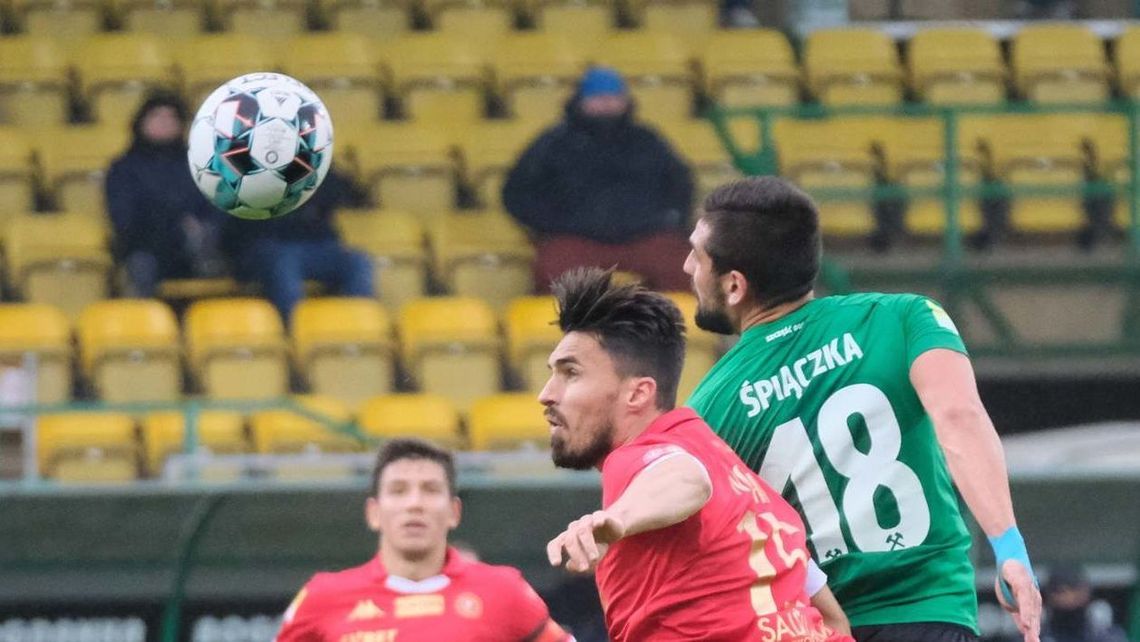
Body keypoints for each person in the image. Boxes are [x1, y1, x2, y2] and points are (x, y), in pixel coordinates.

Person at [682, 176, 1043, 642]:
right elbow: (960, 419)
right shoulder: (907, 317)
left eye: (697, 254)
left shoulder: (708, 409)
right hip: (931, 614)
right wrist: (1009, 547)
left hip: (813, 627)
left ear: (734, 285)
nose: (687, 265)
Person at [540, 267, 852, 642]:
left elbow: (685, 478)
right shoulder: (738, 475)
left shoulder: (639, 462)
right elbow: (834, 621)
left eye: (570, 373)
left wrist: (617, 518)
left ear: (638, 394)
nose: (547, 393)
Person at [276, 438, 574, 642]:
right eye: (398, 490)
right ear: (374, 512)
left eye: (430, 490)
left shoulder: (505, 591)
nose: (414, 503)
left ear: (454, 512)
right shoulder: (322, 597)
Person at [502, 67, 694, 293]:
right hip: (576, 239)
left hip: (644, 236)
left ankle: (671, 327)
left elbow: (680, 184)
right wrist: (550, 226)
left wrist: (668, 219)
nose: (607, 104)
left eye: (614, 97)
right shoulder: (554, 143)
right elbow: (517, 191)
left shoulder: (647, 141)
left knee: (683, 270)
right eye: (598, 97)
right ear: (581, 101)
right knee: (552, 271)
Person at [105, 91, 226, 297]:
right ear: (141, 122)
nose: (165, 123)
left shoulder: (199, 164)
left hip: (198, 247)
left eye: (172, 118)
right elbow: (125, 218)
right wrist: (178, 225)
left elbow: (217, 205)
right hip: (149, 247)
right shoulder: (123, 169)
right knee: (141, 265)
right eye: (157, 116)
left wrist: (203, 227)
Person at [221, 168, 373, 323]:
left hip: (313, 245)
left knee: (357, 261)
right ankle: (299, 330)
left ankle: (357, 328)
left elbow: (346, 193)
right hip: (264, 246)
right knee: (284, 262)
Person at [1040, 564, 1128, 642]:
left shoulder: (1104, 635)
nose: (1068, 597)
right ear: (1049, 595)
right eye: (1059, 591)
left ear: (1086, 592)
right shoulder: (1037, 634)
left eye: (1073, 589)